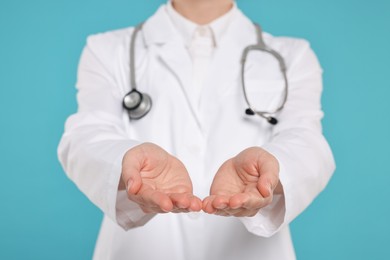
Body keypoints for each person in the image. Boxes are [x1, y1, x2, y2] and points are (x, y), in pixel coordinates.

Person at [58, 0, 335, 259]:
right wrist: (125, 158)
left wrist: (275, 165)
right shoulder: (108, 49)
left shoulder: (292, 56)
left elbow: (306, 141)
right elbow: (87, 135)